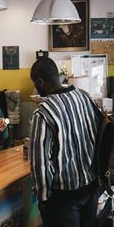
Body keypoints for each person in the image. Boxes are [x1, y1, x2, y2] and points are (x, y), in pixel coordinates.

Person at [29, 58, 103, 227]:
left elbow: (39, 162)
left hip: (63, 202)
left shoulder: (43, 112)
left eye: (35, 83)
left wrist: (43, 198)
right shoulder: (84, 98)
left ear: (40, 81)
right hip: (91, 191)